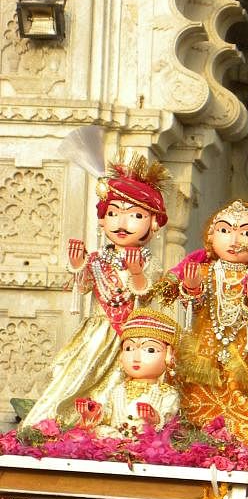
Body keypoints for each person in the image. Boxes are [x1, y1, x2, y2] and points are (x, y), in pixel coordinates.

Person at [153, 200, 248, 469]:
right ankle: (197, 454)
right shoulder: (204, 271)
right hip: (204, 357)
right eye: (225, 231)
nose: (235, 240)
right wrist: (192, 290)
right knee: (192, 406)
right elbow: (196, 308)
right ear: (211, 237)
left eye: (247, 233)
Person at [24, 157, 168, 429]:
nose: (121, 222)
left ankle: (114, 431)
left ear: (154, 224)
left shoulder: (150, 262)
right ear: (102, 221)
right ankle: (58, 428)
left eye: (135, 215)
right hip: (96, 333)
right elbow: (85, 286)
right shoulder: (99, 258)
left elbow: (147, 293)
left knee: (119, 384)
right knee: (76, 379)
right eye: (113, 213)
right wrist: (79, 265)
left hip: (130, 337)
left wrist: (137, 273)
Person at [75, 308, 180, 437]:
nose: (136, 357)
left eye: (150, 350)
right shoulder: (118, 390)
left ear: (169, 357)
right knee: (100, 432)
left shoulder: (167, 394)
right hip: (114, 442)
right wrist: (91, 413)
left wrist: (154, 418)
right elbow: (107, 417)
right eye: (129, 348)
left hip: (147, 446)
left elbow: (168, 419)